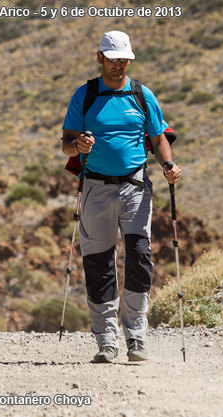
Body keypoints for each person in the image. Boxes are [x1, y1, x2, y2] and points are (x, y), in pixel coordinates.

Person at [61, 31, 181, 363]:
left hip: (135, 186)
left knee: (140, 257)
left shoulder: (142, 94)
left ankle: (136, 336)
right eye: (114, 59)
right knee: (98, 263)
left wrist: (168, 164)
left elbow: (158, 139)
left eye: (125, 60)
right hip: (96, 188)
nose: (120, 65)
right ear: (100, 58)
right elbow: (66, 143)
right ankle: (106, 339)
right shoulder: (84, 95)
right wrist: (78, 146)